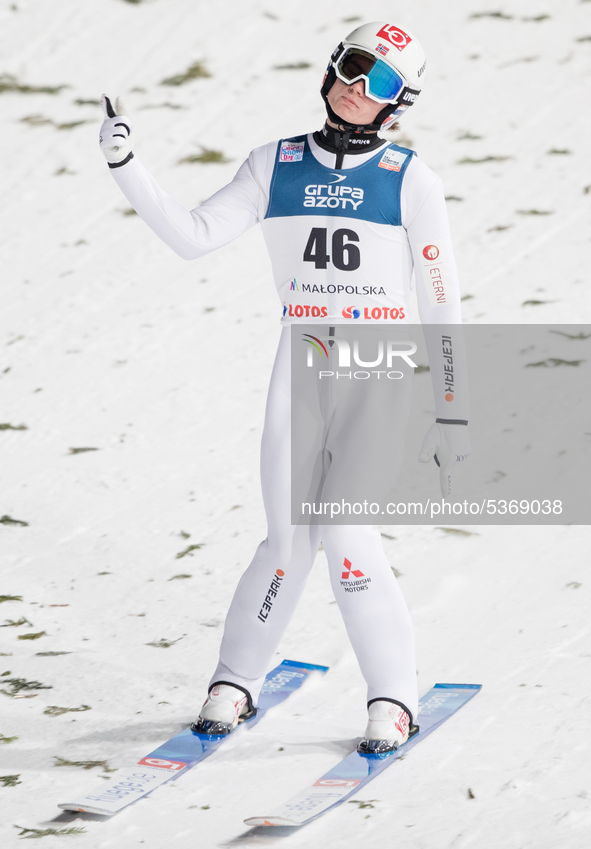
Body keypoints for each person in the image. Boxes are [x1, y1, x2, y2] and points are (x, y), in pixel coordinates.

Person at [99, 21, 470, 754]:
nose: (358, 87)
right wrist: (129, 166)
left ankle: (391, 695)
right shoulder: (276, 163)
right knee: (286, 535)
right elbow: (193, 234)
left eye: (380, 82)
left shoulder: (409, 178)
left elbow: (441, 301)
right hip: (298, 357)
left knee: (345, 531)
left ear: (400, 104)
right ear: (332, 65)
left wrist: (453, 415)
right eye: (354, 66)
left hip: (375, 364)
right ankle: (234, 678)